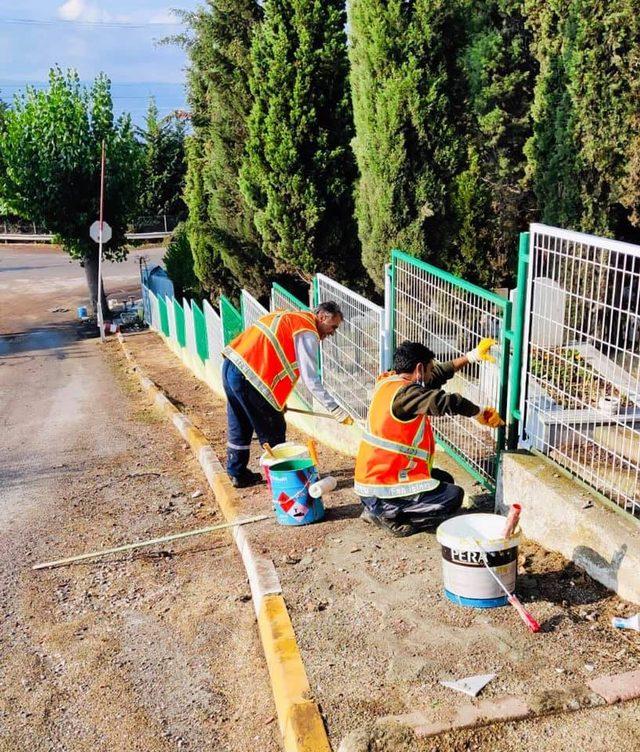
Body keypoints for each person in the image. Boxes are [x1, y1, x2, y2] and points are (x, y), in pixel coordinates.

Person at [354, 339, 504, 536]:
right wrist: (478, 412)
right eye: (429, 368)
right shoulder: (407, 395)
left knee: (444, 479)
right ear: (418, 369)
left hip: (374, 480)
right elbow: (448, 402)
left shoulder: (389, 382)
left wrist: (471, 356)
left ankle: (377, 508)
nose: (432, 372)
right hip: (383, 486)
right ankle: (387, 516)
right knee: (452, 496)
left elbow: (436, 376)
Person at [222, 301, 353, 487]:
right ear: (322, 317)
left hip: (232, 366)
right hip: (251, 376)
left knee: (240, 422)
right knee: (274, 429)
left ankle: (237, 473)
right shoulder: (306, 330)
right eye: (333, 327)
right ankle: (283, 482)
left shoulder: (289, 317)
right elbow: (310, 379)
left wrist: (276, 401)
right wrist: (335, 408)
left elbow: (272, 357)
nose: (332, 333)